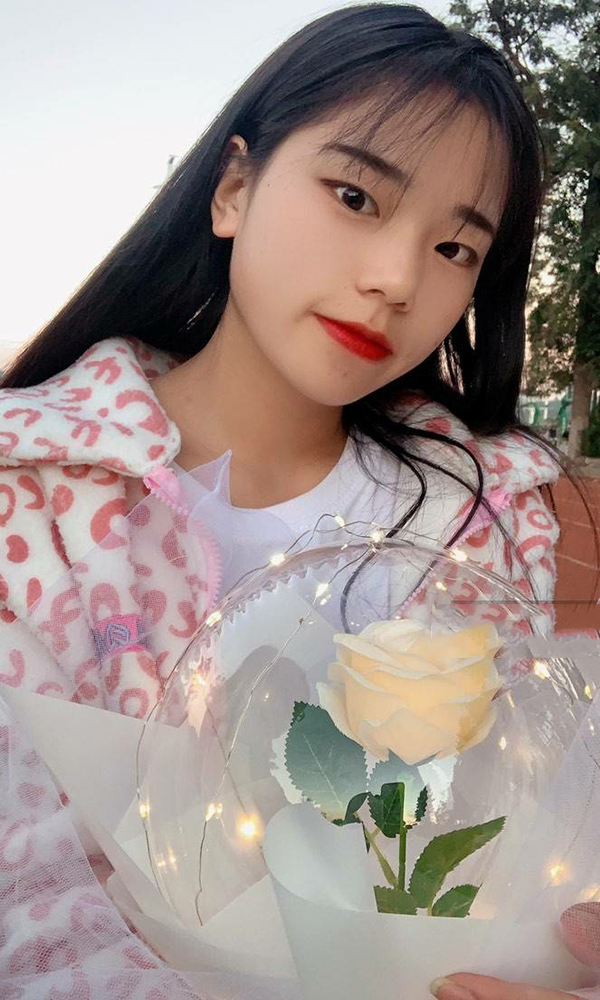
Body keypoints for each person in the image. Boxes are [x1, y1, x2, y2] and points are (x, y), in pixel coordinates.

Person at [0, 3, 598, 998]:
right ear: (233, 187)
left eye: (455, 249)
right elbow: (24, 902)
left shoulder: (487, 518)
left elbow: (526, 834)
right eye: (356, 195)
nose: (395, 278)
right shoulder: (33, 505)